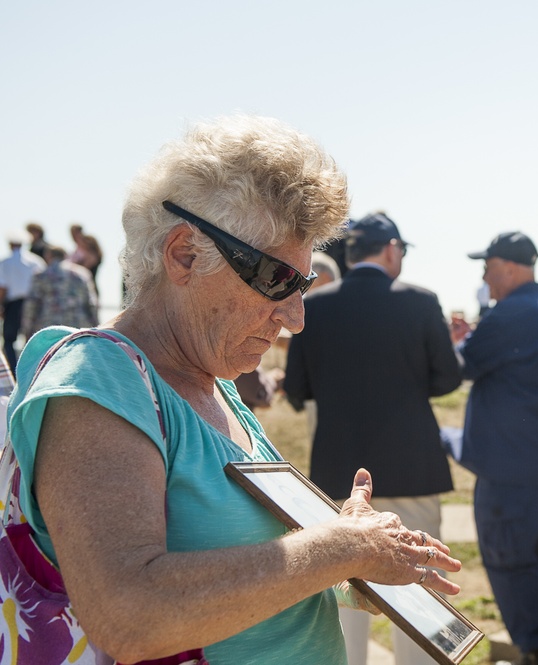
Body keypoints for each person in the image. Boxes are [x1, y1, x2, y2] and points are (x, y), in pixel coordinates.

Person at [5, 114, 462, 665]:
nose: (295, 317)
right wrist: (345, 546)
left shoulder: (214, 387)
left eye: (305, 284)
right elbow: (130, 614)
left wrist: (354, 566)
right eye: (277, 280)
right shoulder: (99, 376)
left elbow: (249, 567)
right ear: (185, 255)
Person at [284, 211, 463, 665]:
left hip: (338, 474)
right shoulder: (421, 301)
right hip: (412, 466)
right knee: (422, 594)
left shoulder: (316, 305)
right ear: (391, 250)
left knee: (343, 598)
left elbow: (297, 388)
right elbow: (446, 379)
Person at [448, 231, 538, 665]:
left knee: (510, 563)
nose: (485, 276)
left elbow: (461, 366)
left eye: (488, 267)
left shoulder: (512, 314)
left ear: (510, 267)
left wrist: (457, 339)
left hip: (508, 474)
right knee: (536, 561)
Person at [21, 244, 99, 339]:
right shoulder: (82, 274)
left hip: (49, 329)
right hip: (78, 328)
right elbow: (92, 303)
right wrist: (96, 327)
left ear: (48, 256)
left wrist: (27, 330)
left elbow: (31, 305)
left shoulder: (41, 275)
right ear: (65, 256)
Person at [0, 229, 46, 372]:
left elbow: (3, 288)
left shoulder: (5, 263)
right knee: (32, 338)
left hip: (13, 305)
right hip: (34, 304)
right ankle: (31, 370)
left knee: (9, 339)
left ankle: (13, 370)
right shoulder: (36, 262)